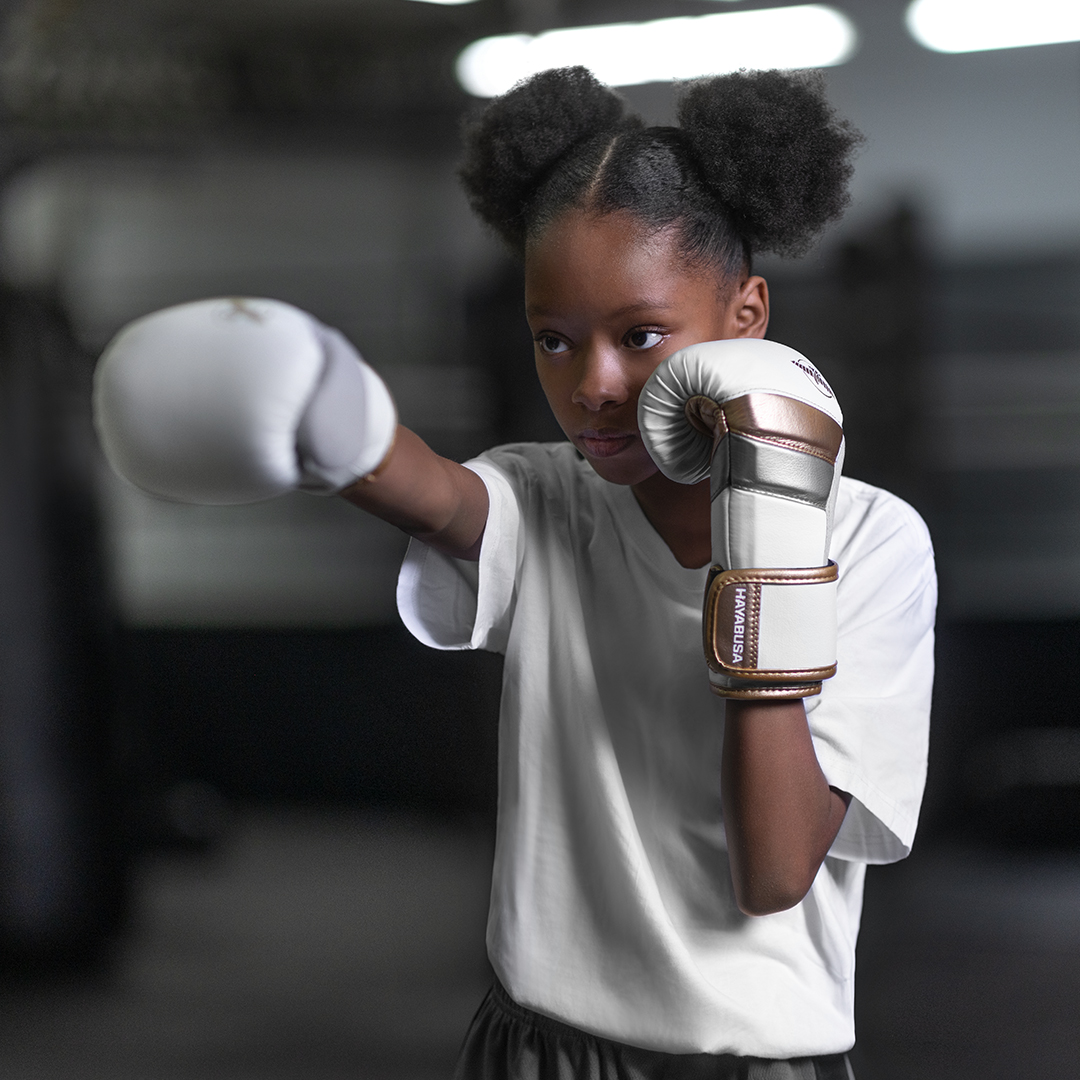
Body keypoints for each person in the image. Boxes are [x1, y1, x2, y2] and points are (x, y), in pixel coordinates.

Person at [93, 67, 935, 1080]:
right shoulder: (553, 501)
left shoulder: (876, 543)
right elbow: (438, 497)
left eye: (639, 335)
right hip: (537, 1044)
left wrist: (769, 544)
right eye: (554, 340)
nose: (594, 387)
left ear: (748, 315)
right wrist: (321, 412)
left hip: (757, 1060)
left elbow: (775, 870)